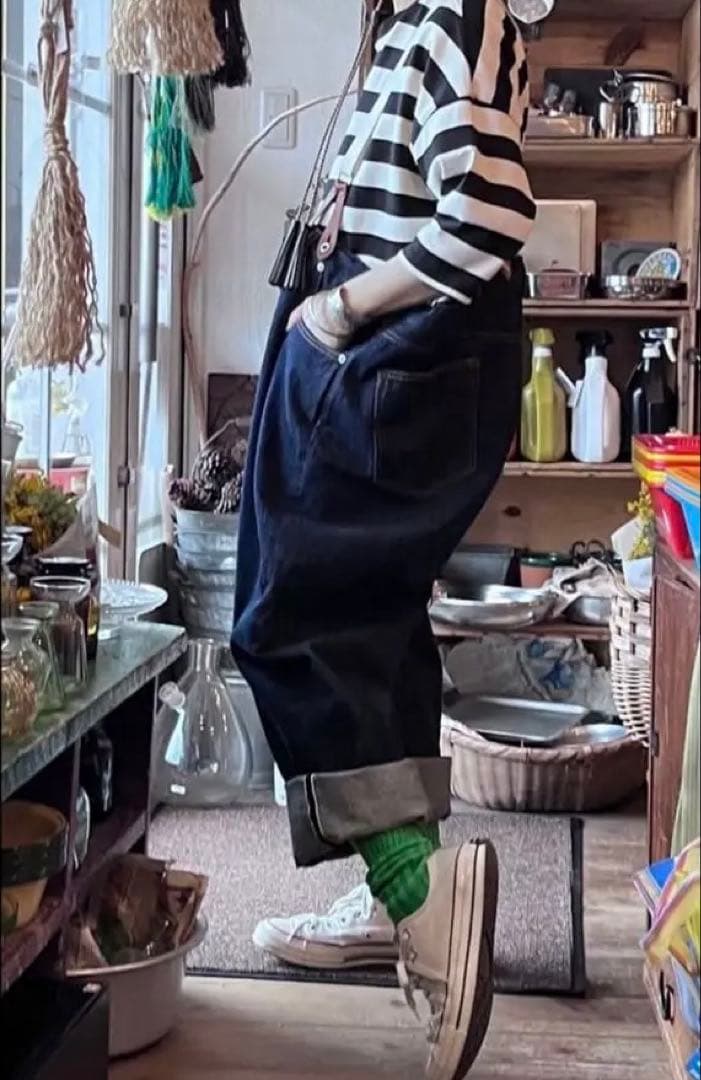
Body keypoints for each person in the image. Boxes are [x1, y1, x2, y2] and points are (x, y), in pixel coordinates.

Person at [230, 1, 534, 1076]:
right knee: (373, 622)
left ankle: (418, 896)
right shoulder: (426, 18)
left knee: (287, 625)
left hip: (390, 352)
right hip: (397, 355)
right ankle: (396, 897)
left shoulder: (450, 13)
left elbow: (488, 214)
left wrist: (344, 308)